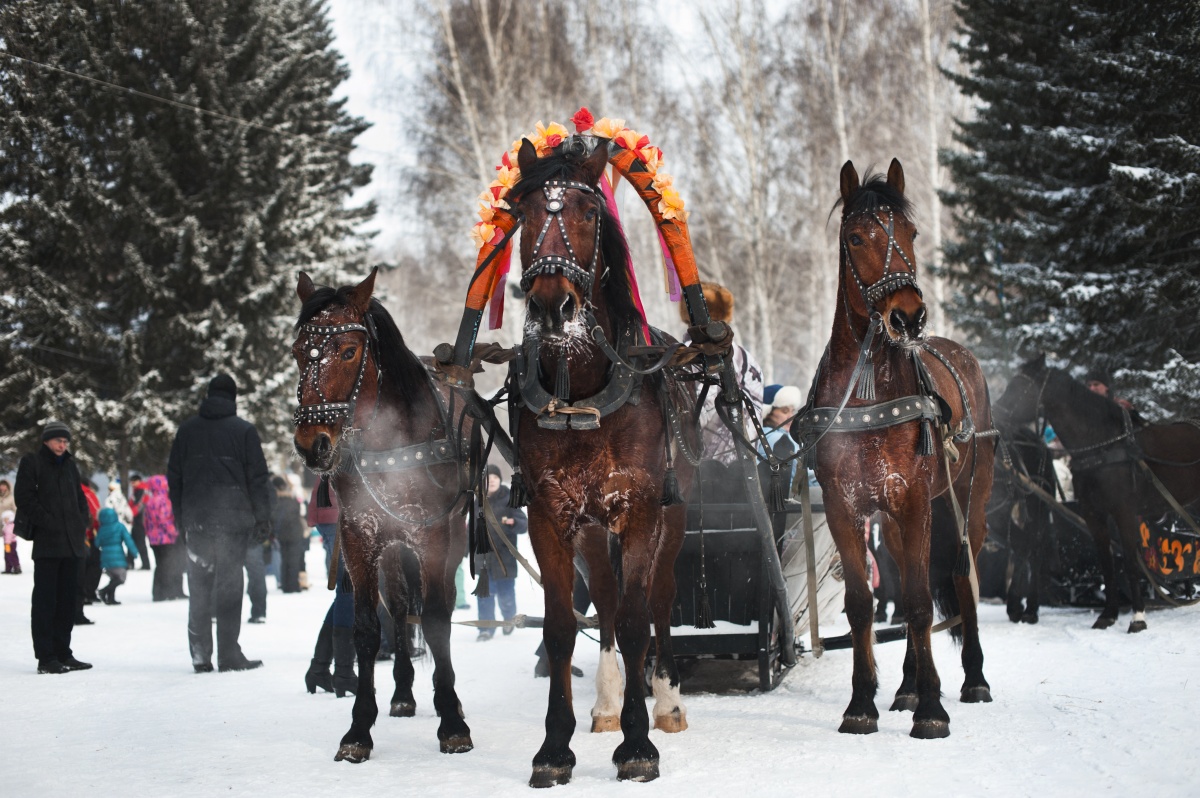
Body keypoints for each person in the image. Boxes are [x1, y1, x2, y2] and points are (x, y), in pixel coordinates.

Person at [168, 374, 272, 673]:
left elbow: (174, 478)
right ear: (233, 397)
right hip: (233, 522)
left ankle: (201, 655)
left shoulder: (186, 431)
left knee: (199, 587)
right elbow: (258, 479)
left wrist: (181, 517)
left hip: (197, 522)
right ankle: (229, 654)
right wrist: (262, 517)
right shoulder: (244, 431)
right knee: (229, 587)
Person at [14, 420, 93, 674]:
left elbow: (80, 498)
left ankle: (63, 652)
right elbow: (24, 498)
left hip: (72, 544)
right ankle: (46, 657)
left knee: (68, 601)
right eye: (59, 440)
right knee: (46, 602)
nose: (62, 445)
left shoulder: (70, 465)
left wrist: (82, 521)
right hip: (48, 545)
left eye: (65, 441)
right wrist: (49, 522)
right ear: (47, 440)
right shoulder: (32, 462)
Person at [680, 282, 764, 464]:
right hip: (745, 457)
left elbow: (704, 406)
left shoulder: (690, 353)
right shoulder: (746, 356)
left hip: (708, 464)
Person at [304, 480, 355, 697]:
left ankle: (320, 668)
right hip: (338, 510)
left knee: (347, 594)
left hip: (336, 509)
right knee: (349, 591)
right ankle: (342, 673)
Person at [474, 465, 527, 641]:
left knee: (506, 594)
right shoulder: (478, 501)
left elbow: (523, 524)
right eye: (489, 478)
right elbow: (471, 529)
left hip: (505, 557)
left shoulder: (509, 498)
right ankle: (486, 629)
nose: (493, 481)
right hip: (483, 558)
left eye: (495, 477)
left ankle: (509, 620)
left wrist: (513, 523)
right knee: (484, 595)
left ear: (499, 479)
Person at [141, 475, 185, 601]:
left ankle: (158, 592)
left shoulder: (149, 501)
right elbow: (164, 520)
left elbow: (146, 522)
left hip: (154, 540)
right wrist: (175, 532)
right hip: (165, 539)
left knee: (160, 565)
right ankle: (167, 592)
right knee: (168, 565)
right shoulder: (164, 500)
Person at [94, 507, 138, 604]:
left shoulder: (102, 529)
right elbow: (128, 540)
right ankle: (103, 591)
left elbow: (97, 543)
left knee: (114, 577)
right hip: (118, 556)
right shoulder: (119, 526)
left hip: (105, 557)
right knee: (121, 578)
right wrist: (134, 552)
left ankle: (111, 599)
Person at [271, 476, 306, 593]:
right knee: (294, 561)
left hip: (281, 535)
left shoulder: (275, 502)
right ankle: (293, 585)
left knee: (284, 560)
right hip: (295, 534)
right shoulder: (293, 501)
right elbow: (300, 514)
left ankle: (285, 585)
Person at [3, 509, 21, 574]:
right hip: (7, 543)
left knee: (12, 555)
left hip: (10, 543)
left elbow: (9, 534)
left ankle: (16, 567)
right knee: (7, 555)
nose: (5, 520)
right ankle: (8, 568)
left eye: (6, 518)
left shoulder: (11, 526)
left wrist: (7, 542)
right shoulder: (7, 525)